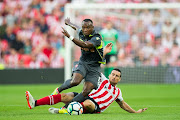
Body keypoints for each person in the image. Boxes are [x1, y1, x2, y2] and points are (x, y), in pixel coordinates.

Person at [25, 68, 147, 114]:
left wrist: (135, 112)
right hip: (84, 96)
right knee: (64, 96)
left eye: (117, 76)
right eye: (113, 74)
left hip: (95, 106)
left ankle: (64, 111)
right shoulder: (102, 79)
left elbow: (123, 105)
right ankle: (35, 103)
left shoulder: (118, 92)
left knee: (88, 104)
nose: (114, 77)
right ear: (109, 75)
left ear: (120, 79)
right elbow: (92, 69)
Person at [51, 17, 107, 109]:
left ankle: (66, 108)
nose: (85, 30)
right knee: (75, 81)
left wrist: (69, 36)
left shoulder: (97, 38)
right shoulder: (81, 31)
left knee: (86, 91)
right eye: (83, 27)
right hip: (83, 62)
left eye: (87, 28)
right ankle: (58, 89)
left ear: (92, 27)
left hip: (95, 66)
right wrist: (69, 23)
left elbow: (84, 44)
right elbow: (77, 28)